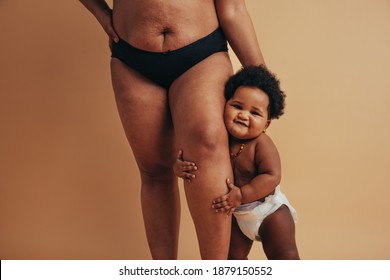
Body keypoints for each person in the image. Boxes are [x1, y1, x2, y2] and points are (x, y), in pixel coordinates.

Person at [78, 0, 265, 259]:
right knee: (154, 171)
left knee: (208, 146)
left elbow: (232, 8)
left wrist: (262, 82)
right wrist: (101, 13)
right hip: (132, 59)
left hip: (201, 53)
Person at [174, 65, 300, 260]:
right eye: (237, 106)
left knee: (284, 256)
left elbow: (272, 176)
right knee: (232, 258)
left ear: (266, 124)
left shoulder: (261, 143)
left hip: (269, 212)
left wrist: (242, 194)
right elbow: (199, 160)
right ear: (225, 105)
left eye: (255, 113)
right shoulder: (218, 138)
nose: (244, 115)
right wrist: (179, 167)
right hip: (238, 215)